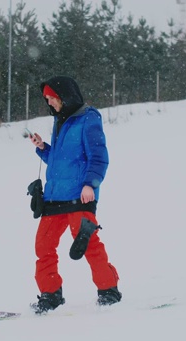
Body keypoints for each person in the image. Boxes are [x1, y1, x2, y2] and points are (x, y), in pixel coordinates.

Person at [28, 75, 121, 314]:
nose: (49, 103)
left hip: (80, 197)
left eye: (51, 98)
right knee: (43, 247)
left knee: (89, 244)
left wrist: (90, 184)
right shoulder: (60, 121)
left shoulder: (88, 118)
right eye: (47, 99)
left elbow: (98, 156)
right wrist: (43, 148)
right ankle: (51, 296)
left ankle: (108, 291)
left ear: (64, 96)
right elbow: (60, 161)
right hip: (54, 198)